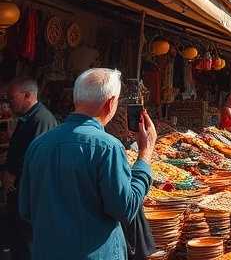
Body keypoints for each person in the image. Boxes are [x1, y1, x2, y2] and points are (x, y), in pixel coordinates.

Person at [18, 68, 157, 260]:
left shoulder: (38, 145)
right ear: (110, 104)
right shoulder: (107, 147)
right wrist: (145, 155)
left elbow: (25, 209)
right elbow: (125, 208)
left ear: (77, 100)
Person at [3, 77, 57, 260]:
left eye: (11, 98)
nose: (8, 104)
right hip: (20, 193)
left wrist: (13, 173)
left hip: (30, 195)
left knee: (28, 245)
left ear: (27, 95)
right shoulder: (28, 118)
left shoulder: (41, 119)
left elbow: (36, 157)